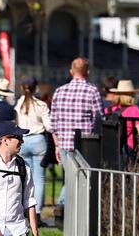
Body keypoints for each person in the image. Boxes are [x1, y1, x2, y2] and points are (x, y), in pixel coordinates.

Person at [49, 57, 103, 215]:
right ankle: (65, 206)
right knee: (81, 179)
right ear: (88, 72)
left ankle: (67, 209)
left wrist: (57, 145)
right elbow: (99, 117)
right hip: (85, 142)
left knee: (72, 177)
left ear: (71, 72)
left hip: (64, 143)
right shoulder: (92, 91)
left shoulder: (59, 91)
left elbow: (53, 123)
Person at [13, 77, 52, 223]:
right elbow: (48, 126)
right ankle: (37, 213)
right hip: (38, 140)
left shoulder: (18, 104)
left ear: (22, 88)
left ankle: (25, 210)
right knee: (39, 179)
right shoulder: (41, 105)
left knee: (25, 178)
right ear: (36, 88)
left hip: (23, 140)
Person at [107, 80, 139, 153]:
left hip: (110, 149)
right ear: (132, 95)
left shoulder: (109, 109)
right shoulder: (134, 110)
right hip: (128, 148)